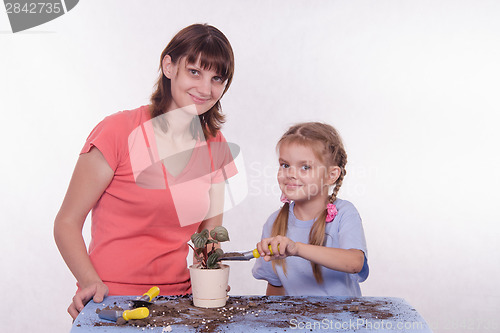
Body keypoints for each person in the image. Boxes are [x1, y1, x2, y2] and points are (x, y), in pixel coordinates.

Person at [54, 23, 236, 319]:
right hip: (111, 299)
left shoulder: (216, 143)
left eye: (217, 78)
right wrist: (90, 283)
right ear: (169, 66)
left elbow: (208, 235)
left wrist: (210, 278)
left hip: (181, 301)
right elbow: (66, 222)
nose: (206, 89)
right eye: (194, 72)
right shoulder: (117, 132)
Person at [252, 122, 368, 296]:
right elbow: (275, 287)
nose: (291, 173)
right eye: (285, 165)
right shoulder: (274, 223)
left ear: (331, 175)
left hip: (342, 322)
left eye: (305, 167)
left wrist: (297, 249)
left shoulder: (344, 213)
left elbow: (354, 263)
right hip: (296, 322)